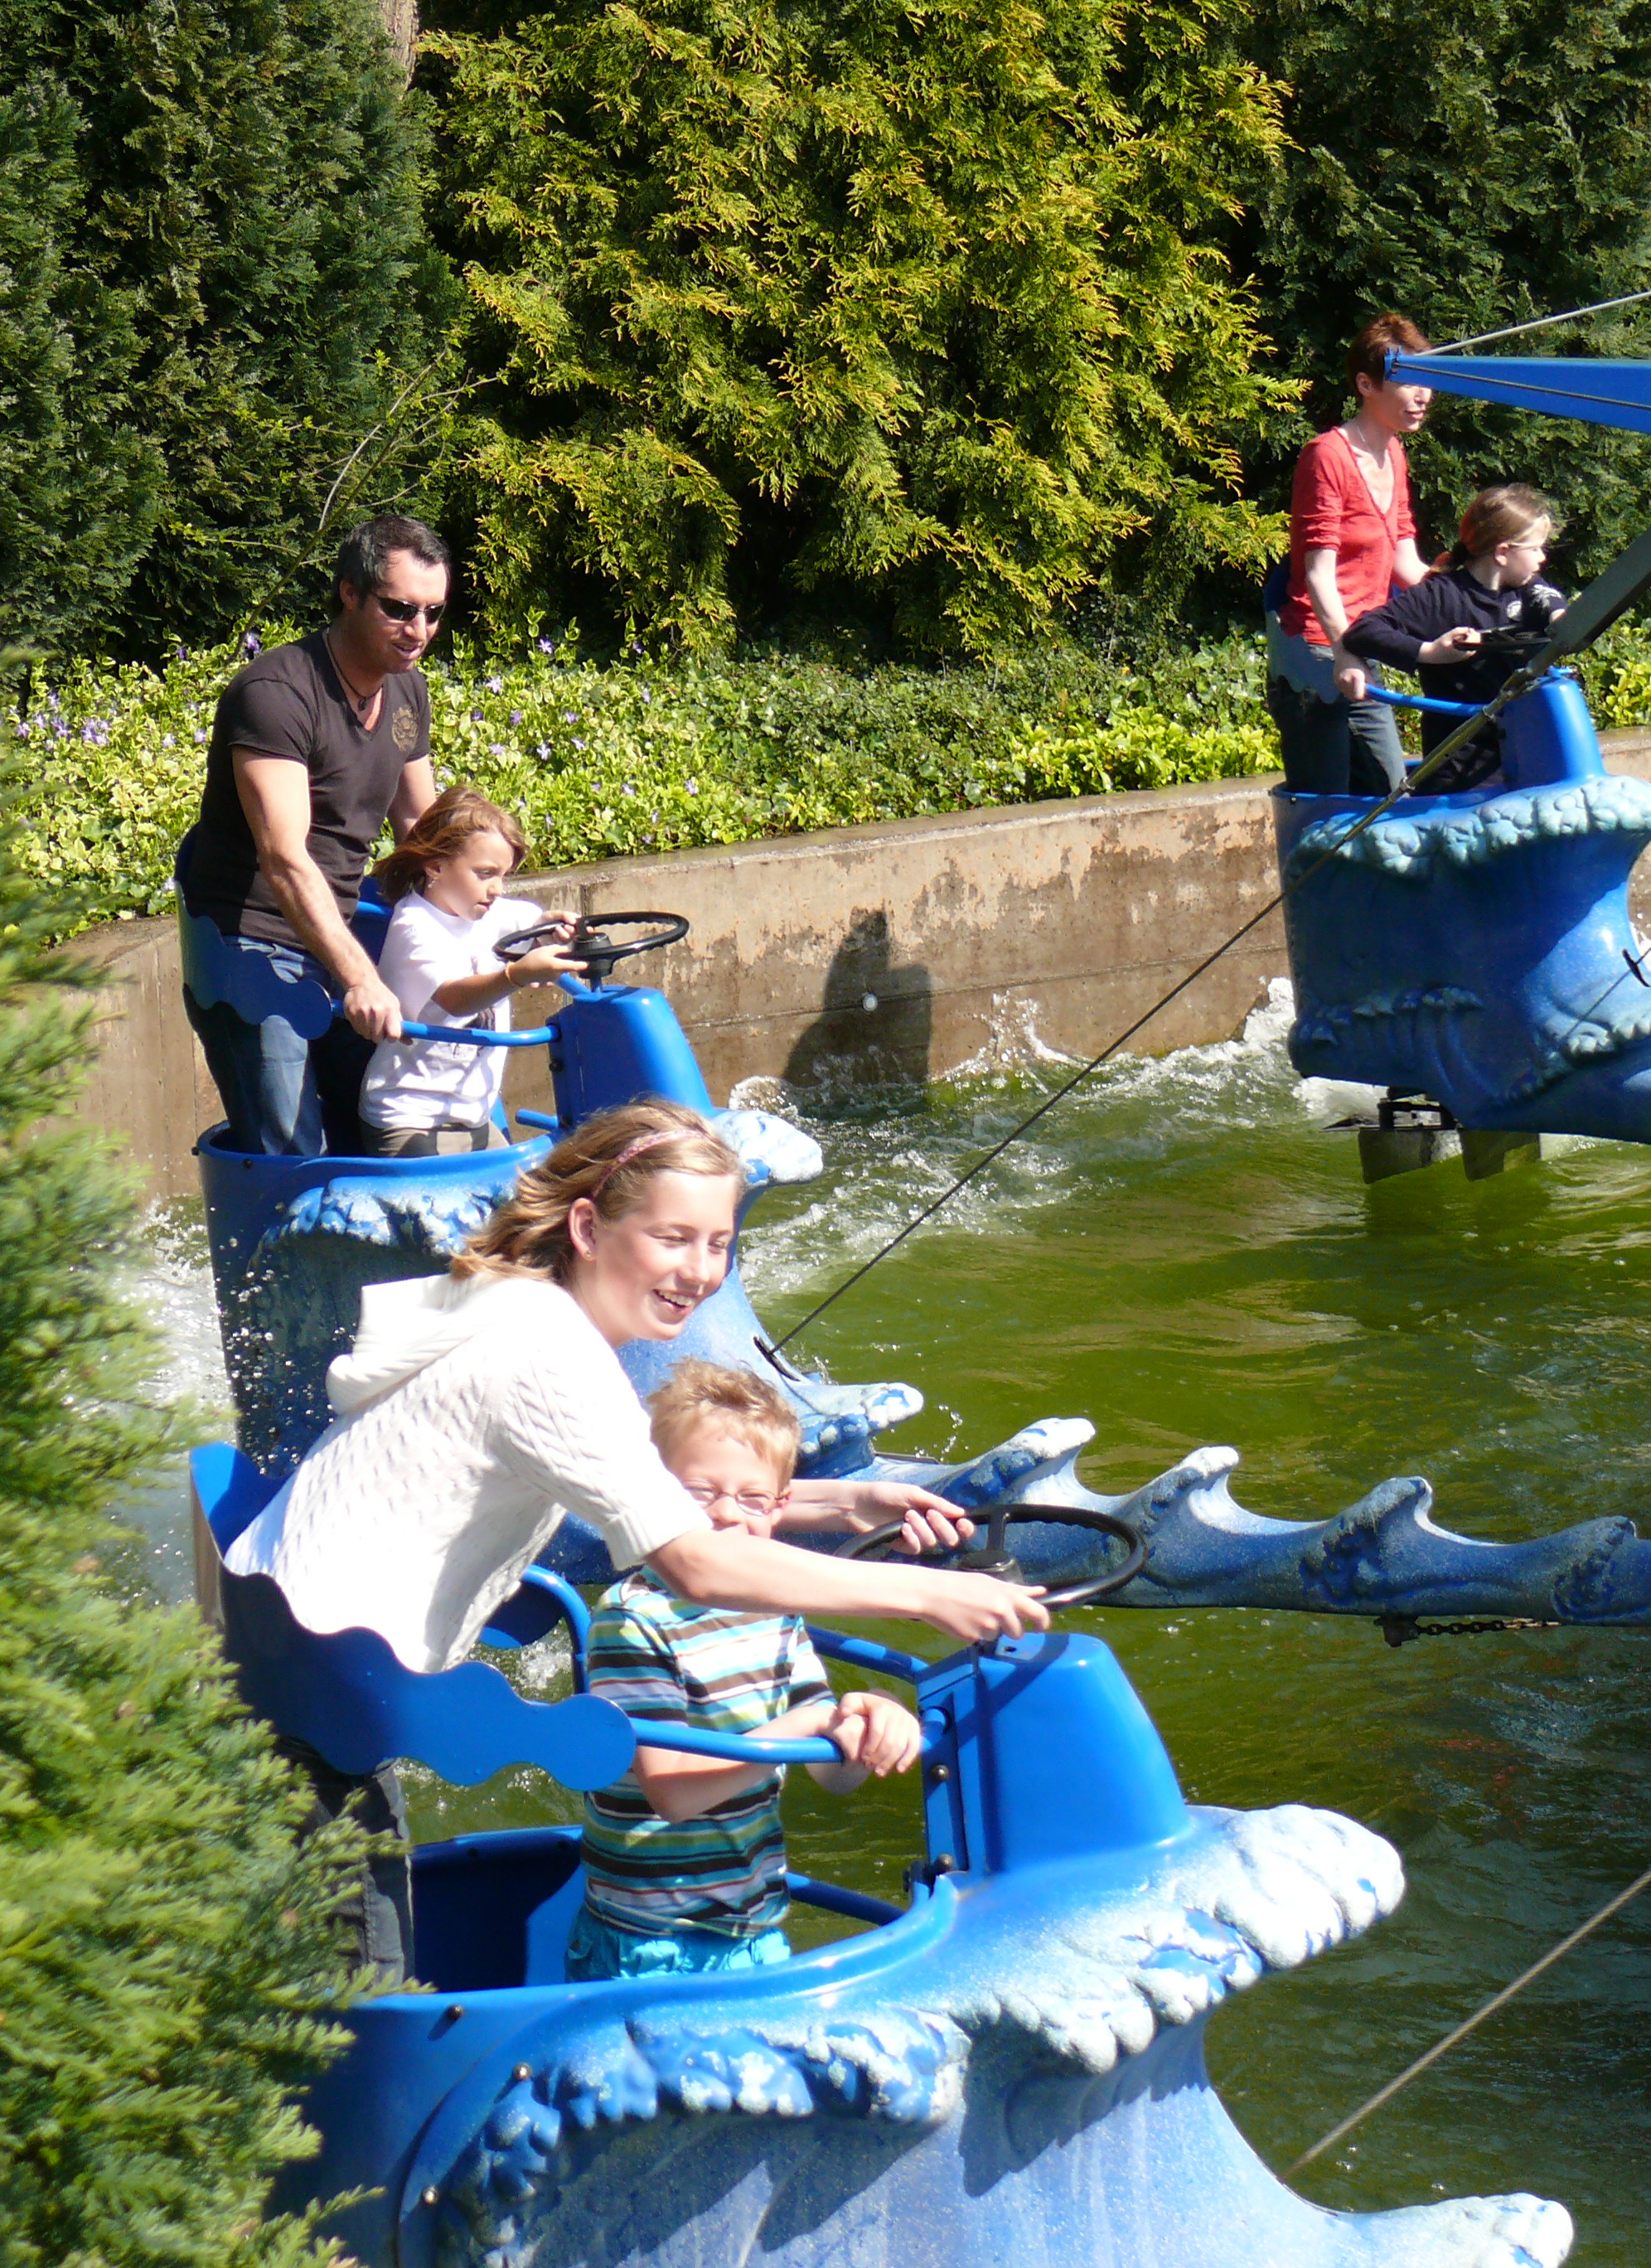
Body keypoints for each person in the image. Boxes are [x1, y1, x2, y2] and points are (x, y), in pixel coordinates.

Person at [220, 1098, 1036, 1973]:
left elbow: (632, 1492)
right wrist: (927, 1592)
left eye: (719, 1243)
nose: (700, 1271)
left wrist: (843, 1504)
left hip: (287, 1670)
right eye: (672, 1238)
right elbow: (693, 1562)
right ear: (586, 1228)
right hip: (318, 1710)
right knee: (352, 2005)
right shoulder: (549, 1356)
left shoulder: (517, 1308)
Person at [568, 1361, 923, 1982]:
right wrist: (810, 1723)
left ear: (780, 1506)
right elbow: (674, 1793)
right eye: (699, 1493)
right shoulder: (633, 1618)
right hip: (650, 1942)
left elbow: (830, 1772)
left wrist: (867, 1723)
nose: (727, 1516)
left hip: (755, 1929)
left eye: (752, 1499)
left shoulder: (773, 1605)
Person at [174, 514, 449, 1156]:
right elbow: (284, 859)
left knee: (399, 1116)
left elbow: (423, 834)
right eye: (399, 609)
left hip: (333, 938)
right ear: (350, 592)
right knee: (293, 1155)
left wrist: (500, 927)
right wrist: (360, 978)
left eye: (433, 613)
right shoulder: (276, 694)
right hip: (248, 947)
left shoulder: (406, 691)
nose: (418, 631)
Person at [358, 788, 586, 1156]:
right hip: (410, 1116)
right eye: (485, 874)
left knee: (522, 1189)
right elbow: (454, 998)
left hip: (472, 1115)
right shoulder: (415, 926)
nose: (497, 889)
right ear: (436, 867)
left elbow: (533, 922)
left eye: (503, 875)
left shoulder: (487, 909)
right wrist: (514, 975)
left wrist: (552, 928)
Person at [1268, 314, 1437, 798]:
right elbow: (1317, 574)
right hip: (1316, 653)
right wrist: (1344, 650)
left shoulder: (1394, 453)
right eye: (1409, 383)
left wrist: (1468, 601)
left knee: (1391, 795)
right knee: (1325, 808)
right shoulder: (1327, 456)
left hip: (1360, 646)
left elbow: (1406, 563)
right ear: (1366, 385)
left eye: (1427, 382)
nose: (1424, 396)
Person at [1339, 485, 1569, 791]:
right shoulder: (1439, 595)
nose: (1542, 558)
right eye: (1536, 548)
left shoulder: (1528, 588)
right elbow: (1363, 631)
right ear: (1503, 553)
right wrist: (1430, 652)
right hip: (1460, 772)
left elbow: (1550, 602)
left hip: (1524, 758)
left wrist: (1563, 620)